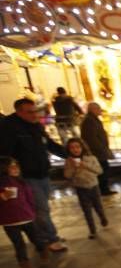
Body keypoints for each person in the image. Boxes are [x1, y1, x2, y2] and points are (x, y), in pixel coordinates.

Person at [0, 98, 68, 252]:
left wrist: (66, 153)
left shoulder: (35, 126)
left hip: (42, 172)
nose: (34, 115)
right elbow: (5, 152)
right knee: (41, 208)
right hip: (26, 175)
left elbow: (47, 143)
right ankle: (51, 238)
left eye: (35, 111)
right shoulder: (9, 127)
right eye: (30, 112)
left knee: (41, 207)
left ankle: (42, 236)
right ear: (19, 112)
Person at [0, 156, 48, 268]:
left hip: (27, 218)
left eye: (17, 165)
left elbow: (30, 198)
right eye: (12, 166)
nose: (16, 168)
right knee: (19, 246)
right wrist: (3, 197)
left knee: (36, 240)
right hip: (9, 222)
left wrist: (32, 212)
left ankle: (43, 253)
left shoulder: (21, 182)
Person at [62, 138, 108, 239]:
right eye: (72, 148)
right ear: (69, 149)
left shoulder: (91, 158)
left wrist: (85, 165)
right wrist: (73, 168)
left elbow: (99, 171)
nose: (75, 150)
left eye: (77, 147)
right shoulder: (69, 161)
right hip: (81, 188)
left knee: (98, 206)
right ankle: (92, 230)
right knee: (86, 211)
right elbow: (67, 175)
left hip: (93, 186)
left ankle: (102, 217)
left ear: (82, 147)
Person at [80, 102, 117, 195]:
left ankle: (104, 188)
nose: (100, 111)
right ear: (93, 109)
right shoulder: (89, 121)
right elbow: (91, 138)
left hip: (99, 150)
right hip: (97, 151)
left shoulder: (93, 119)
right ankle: (103, 189)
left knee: (104, 169)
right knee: (102, 169)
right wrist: (100, 147)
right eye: (98, 109)